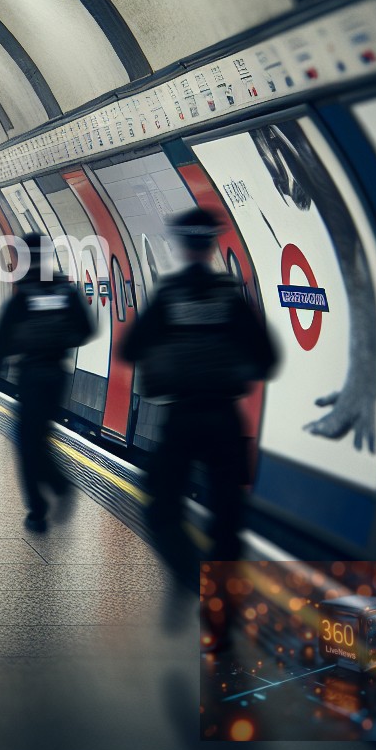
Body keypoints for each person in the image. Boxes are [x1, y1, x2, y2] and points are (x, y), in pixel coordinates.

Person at [119, 207, 278, 634]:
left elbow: (131, 348)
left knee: (160, 504)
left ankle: (189, 576)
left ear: (180, 246)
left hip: (182, 417)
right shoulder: (230, 298)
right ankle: (221, 606)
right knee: (228, 514)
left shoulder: (170, 296)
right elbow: (266, 357)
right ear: (211, 246)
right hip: (225, 418)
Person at [0, 233, 94, 533]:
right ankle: (53, 491)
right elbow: (86, 329)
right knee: (38, 438)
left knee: (27, 442)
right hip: (57, 375)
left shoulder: (23, 296)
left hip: (31, 375)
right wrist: (60, 340)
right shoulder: (65, 292)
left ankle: (40, 506)